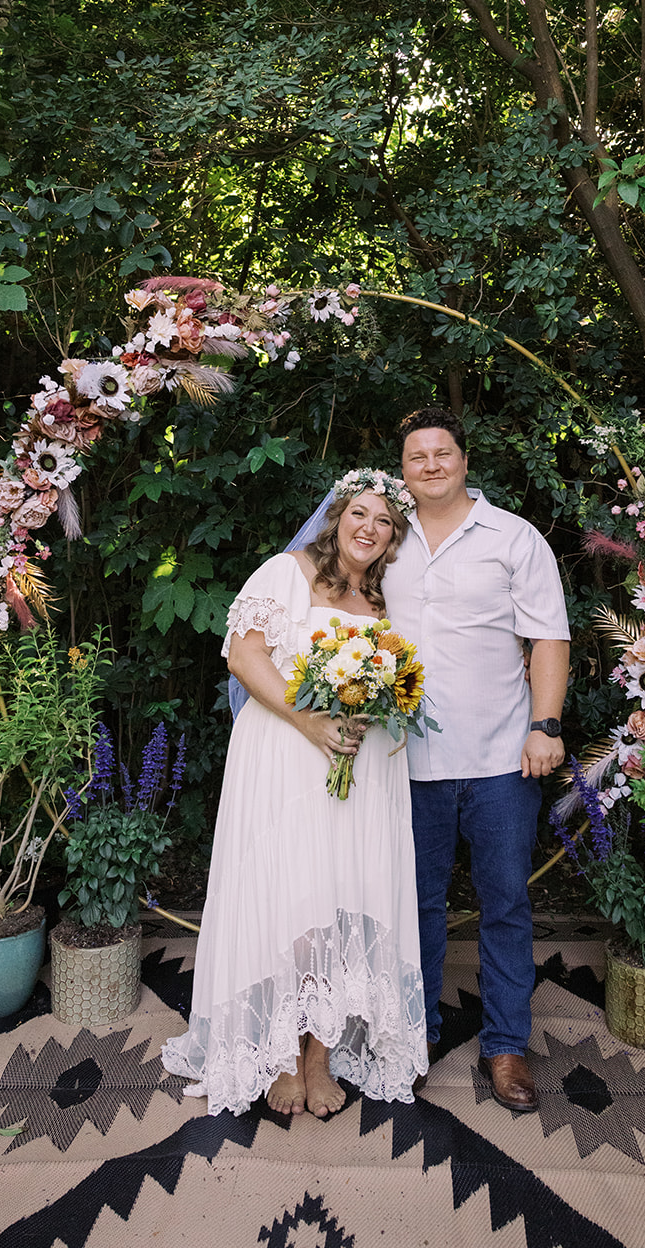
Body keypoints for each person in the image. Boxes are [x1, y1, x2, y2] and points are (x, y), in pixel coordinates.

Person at [161, 468, 428, 1118]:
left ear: (393, 537)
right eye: (359, 514)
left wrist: (386, 716)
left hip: (356, 772)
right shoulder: (285, 572)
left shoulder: (384, 602)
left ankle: (320, 1055)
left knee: (340, 899)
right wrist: (308, 719)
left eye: (383, 522)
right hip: (284, 755)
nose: (368, 528)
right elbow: (243, 656)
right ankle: (280, 1055)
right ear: (337, 515)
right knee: (290, 899)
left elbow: (398, 683)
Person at [381, 408, 571, 1114]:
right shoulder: (382, 536)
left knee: (505, 903)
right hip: (401, 757)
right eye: (415, 456)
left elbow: (548, 638)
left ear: (463, 460)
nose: (429, 464)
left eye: (441, 452)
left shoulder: (512, 538)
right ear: (401, 469)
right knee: (414, 906)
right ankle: (414, 1037)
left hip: (499, 755)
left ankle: (504, 1046)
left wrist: (544, 725)